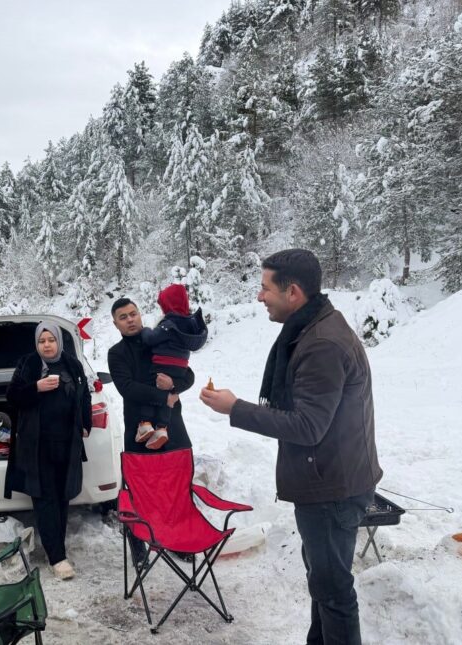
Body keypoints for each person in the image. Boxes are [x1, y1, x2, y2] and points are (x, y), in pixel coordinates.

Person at [200, 249, 382, 645]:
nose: (259, 296)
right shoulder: (312, 326)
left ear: (294, 292)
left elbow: (308, 426)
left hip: (333, 488)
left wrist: (236, 409)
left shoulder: (321, 344)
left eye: (265, 288)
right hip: (330, 478)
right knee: (324, 586)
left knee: (333, 593)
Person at [4, 322, 91, 580]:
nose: (46, 345)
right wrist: (36, 388)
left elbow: (84, 394)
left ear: (58, 342)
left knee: (63, 498)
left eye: (50, 339)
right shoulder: (29, 364)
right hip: (38, 445)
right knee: (45, 500)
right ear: (36, 344)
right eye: (42, 341)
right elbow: (12, 396)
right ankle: (57, 557)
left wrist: (85, 423)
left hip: (67, 444)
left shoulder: (72, 364)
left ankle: (58, 549)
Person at [107, 297, 195, 455]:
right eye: (123, 317)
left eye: (133, 314)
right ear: (115, 324)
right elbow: (127, 388)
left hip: (172, 427)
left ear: (140, 315)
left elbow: (188, 375)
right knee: (145, 478)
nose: (130, 320)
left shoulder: (161, 341)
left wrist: (173, 384)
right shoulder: (116, 353)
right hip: (140, 431)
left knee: (179, 477)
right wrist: (164, 397)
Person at [137, 284, 207, 449]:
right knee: (167, 398)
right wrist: (175, 384)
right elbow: (188, 377)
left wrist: (145, 330)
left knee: (151, 390)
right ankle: (161, 428)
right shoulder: (188, 323)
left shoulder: (169, 323)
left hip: (162, 363)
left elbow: (151, 339)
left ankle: (145, 424)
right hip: (180, 368)